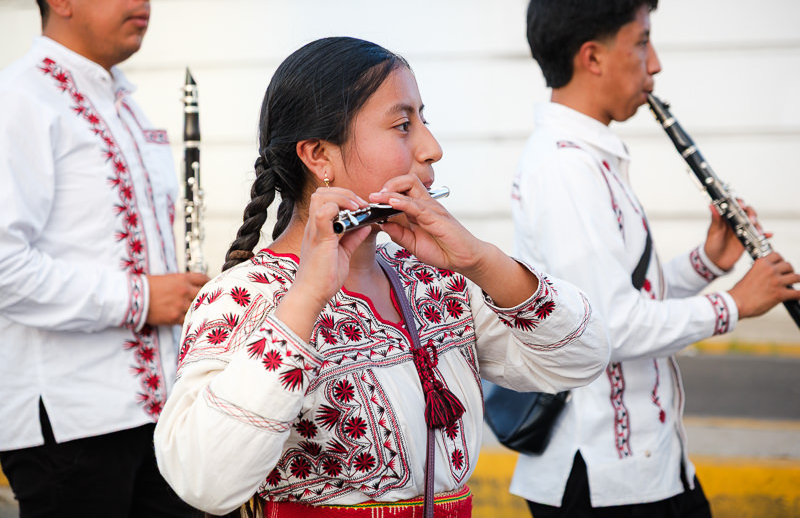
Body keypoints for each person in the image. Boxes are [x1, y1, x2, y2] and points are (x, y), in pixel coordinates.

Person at [153, 36, 611, 517]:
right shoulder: (241, 298)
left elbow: (583, 358)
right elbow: (203, 481)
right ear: (318, 155)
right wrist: (306, 300)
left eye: (423, 121)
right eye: (403, 125)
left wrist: (481, 261)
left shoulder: (436, 280)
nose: (432, 149)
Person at [508, 0, 800, 517]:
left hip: (642, 466)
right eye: (642, 42)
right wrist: (733, 305)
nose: (656, 63)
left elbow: (618, 293)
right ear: (592, 57)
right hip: (603, 474)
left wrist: (706, 263)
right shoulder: (565, 168)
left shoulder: (587, 158)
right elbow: (611, 327)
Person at [0, 0, 210, 515]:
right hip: (73, 424)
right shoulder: (18, 99)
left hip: (161, 415)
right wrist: (141, 298)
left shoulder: (125, 104)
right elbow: (4, 267)